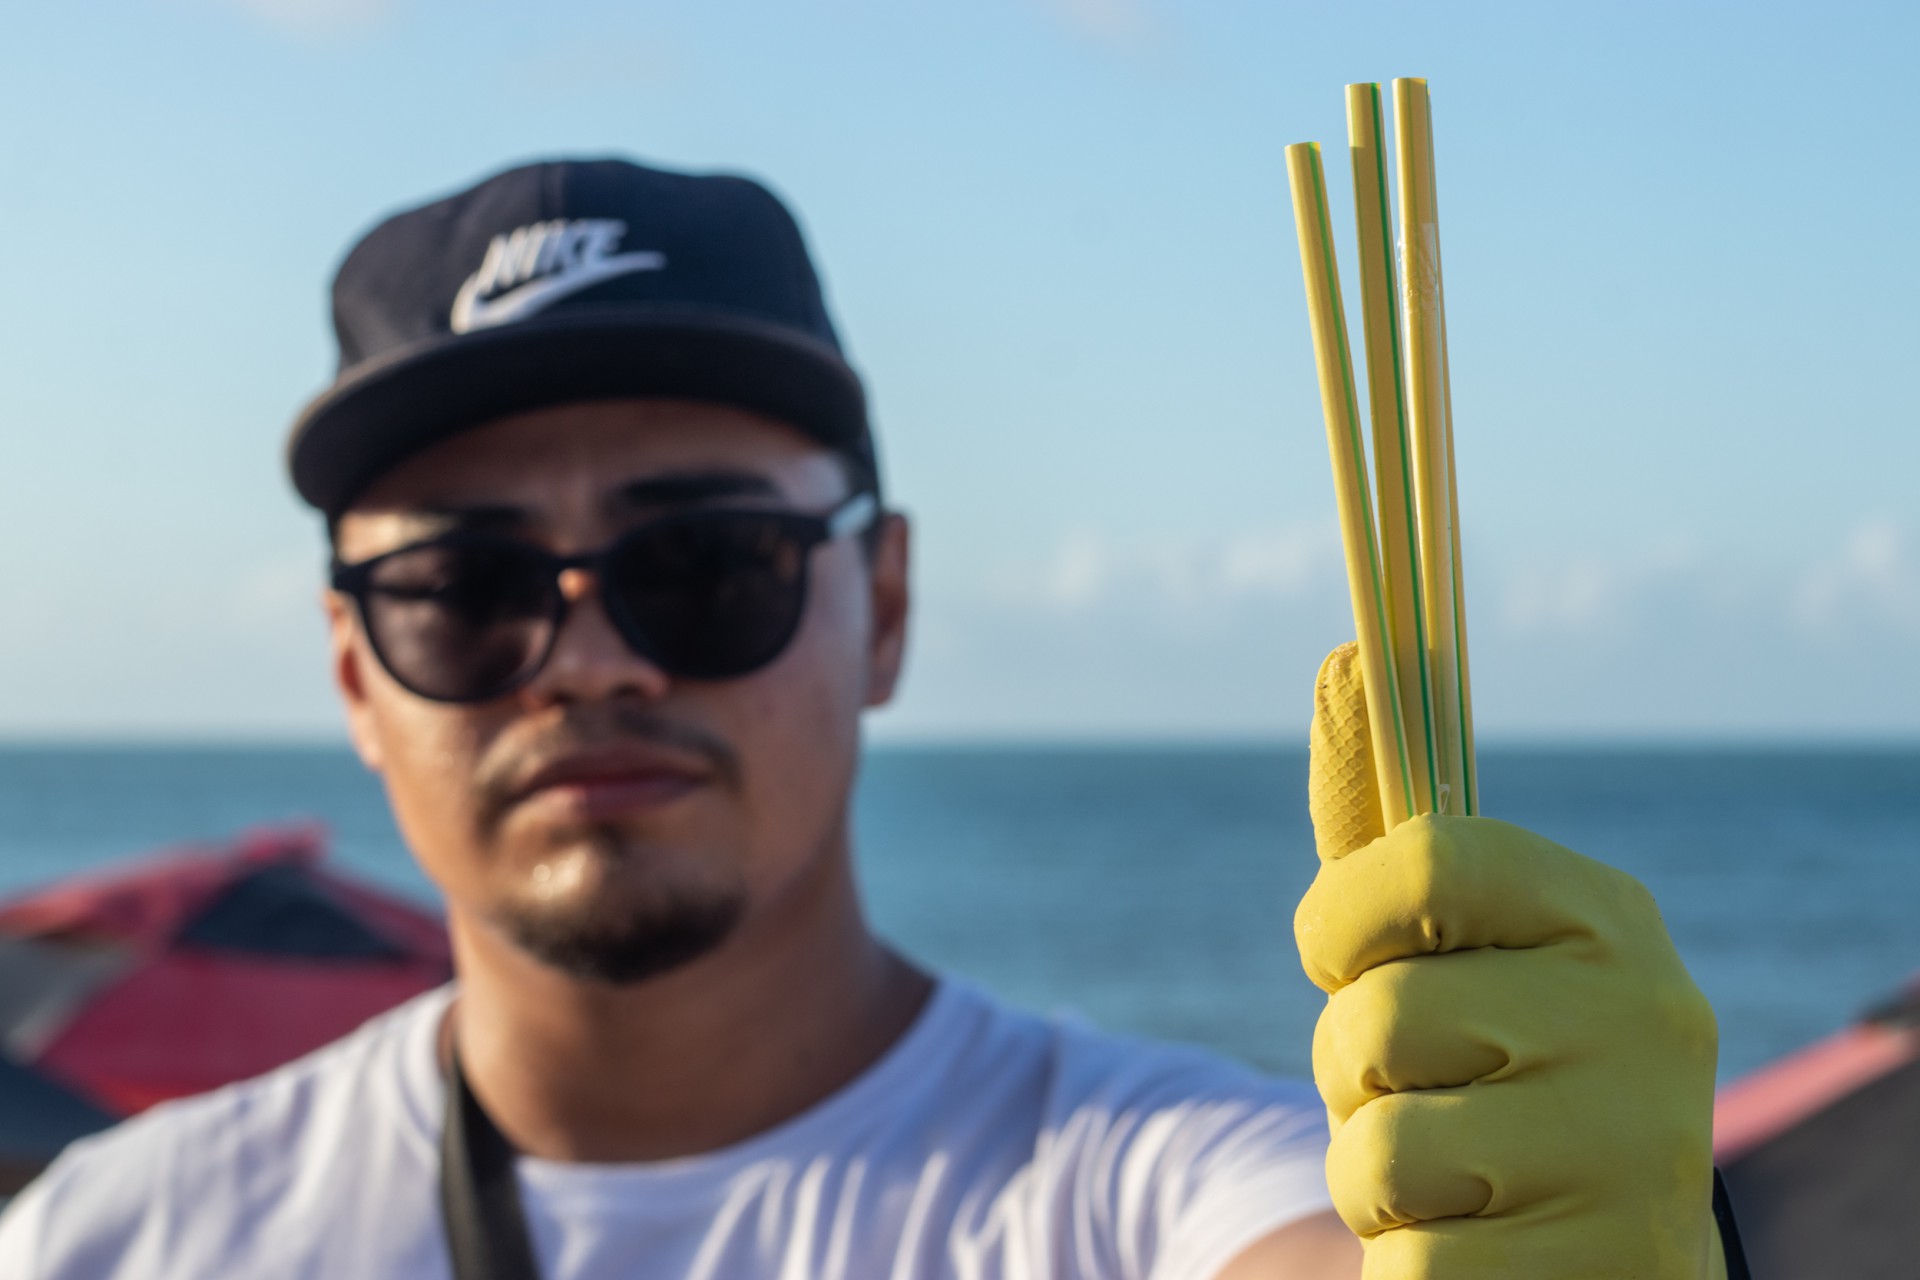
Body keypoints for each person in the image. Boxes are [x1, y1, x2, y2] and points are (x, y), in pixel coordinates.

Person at [0, 157, 1735, 1279]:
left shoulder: (1150, 1194)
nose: (590, 659)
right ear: (353, 671)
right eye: (465, 587)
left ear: (883, 605)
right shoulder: (116, 1241)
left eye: (705, 565)